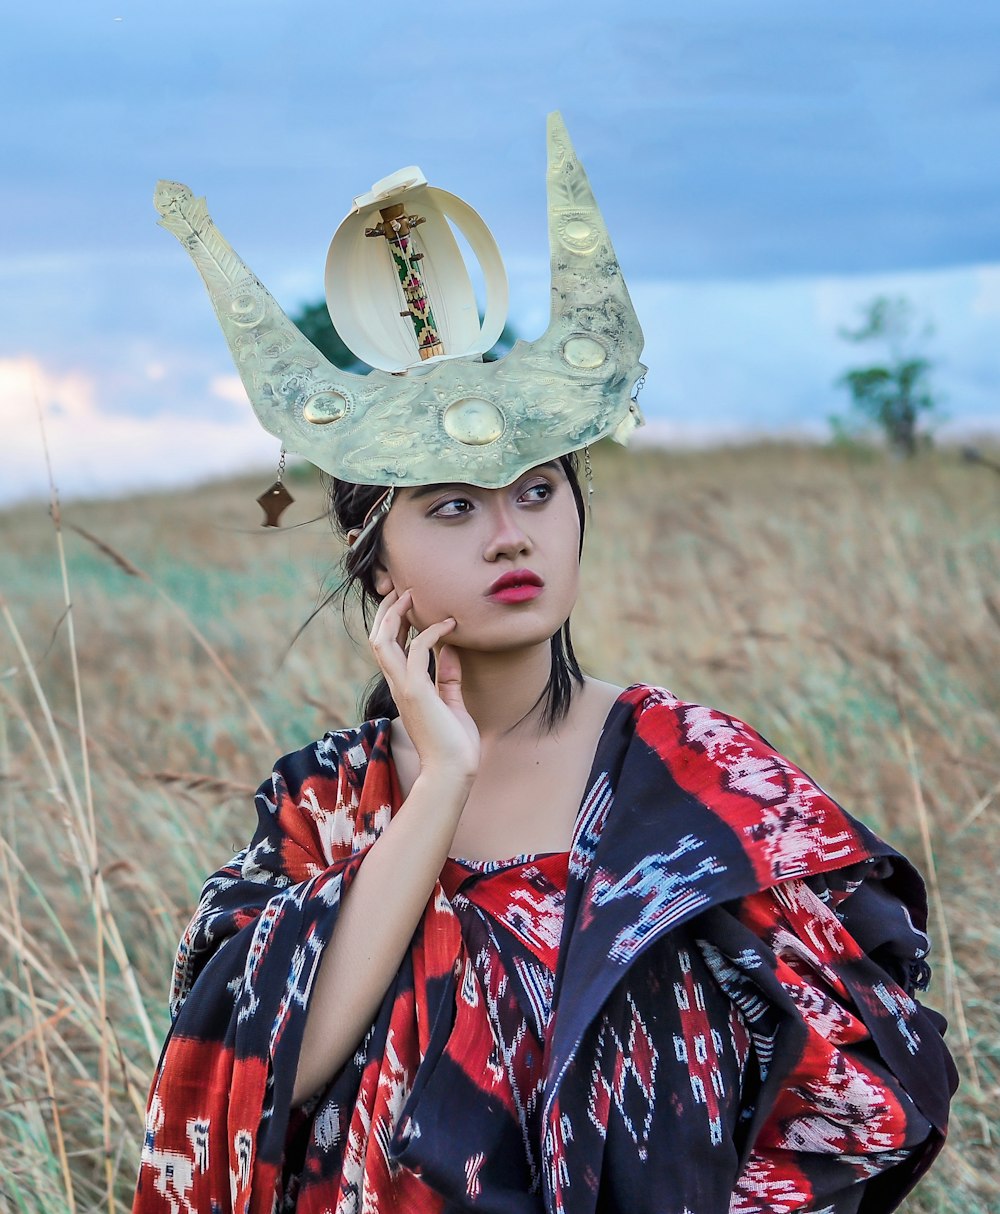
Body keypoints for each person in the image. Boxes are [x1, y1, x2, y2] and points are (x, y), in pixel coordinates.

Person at [134, 116, 956, 1213]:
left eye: (536, 490)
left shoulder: (691, 770)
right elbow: (267, 1083)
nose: (510, 534)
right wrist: (445, 780)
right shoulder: (323, 799)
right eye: (453, 507)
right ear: (372, 558)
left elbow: (854, 1071)